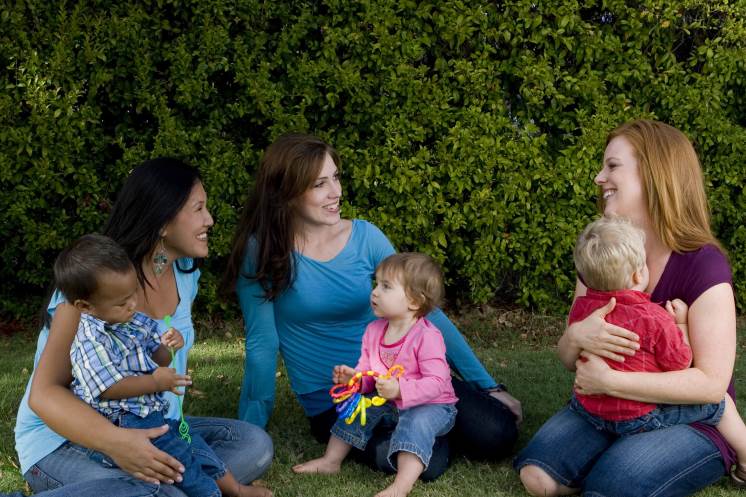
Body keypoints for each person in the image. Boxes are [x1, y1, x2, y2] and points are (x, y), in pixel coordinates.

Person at [221, 133, 520, 479]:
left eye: (336, 177)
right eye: (320, 184)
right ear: (286, 193)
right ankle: (423, 434)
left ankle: (423, 426)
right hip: (337, 399)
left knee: (499, 433)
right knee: (424, 464)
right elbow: (262, 343)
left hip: (403, 377)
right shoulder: (263, 252)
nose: (336, 193)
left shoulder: (366, 237)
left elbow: (423, 311)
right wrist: (249, 431)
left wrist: (488, 387)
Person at [14, 158, 273, 497]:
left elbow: (159, 346)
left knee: (253, 443)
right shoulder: (92, 285)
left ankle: (139, 485)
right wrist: (119, 443)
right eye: (198, 209)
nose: (209, 219)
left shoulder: (183, 274)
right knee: (158, 493)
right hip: (65, 441)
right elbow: (45, 395)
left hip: (149, 421)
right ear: (163, 221)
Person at [515, 119, 739, 496]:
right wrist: (574, 336)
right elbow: (570, 359)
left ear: (654, 174)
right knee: (538, 473)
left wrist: (611, 381)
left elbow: (711, 383)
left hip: (685, 415)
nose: (599, 177)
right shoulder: (602, 253)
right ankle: (617, 450)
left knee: (615, 485)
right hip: (606, 409)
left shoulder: (704, 264)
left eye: (612, 166)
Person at [56, 234, 261, 497]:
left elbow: (157, 358)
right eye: (122, 302)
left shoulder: (132, 320)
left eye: (133, 295)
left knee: (191, 444)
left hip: (153, 413)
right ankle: (208, 492)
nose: (132, 305)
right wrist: (155, 382)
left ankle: (233, 488)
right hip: (123, 424)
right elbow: (108, 388)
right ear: (86, 306)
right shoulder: (90, 339)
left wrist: (169, 346)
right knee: (179, 461)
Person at [566, 217, 746, 460]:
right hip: (636, 416)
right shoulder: (652, 317)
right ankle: (744, 458)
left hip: (592, 409)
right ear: (638, 275)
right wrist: (681, 324)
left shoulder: (583, 310)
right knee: (720, 404)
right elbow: (680, 362)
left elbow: (572, 354)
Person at [293, 253, 458, 497]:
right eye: (376, 284)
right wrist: (355, 380)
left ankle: (400, 487)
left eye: (386, 287)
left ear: (413, 301)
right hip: (389, 399)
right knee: (356, 407)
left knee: (416, 422)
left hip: (432, 405)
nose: (375, 292)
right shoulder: (374, 330)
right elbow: (368, 372)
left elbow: (437, 383)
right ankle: (331, 461)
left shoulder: (427, 336)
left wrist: (401, 390)